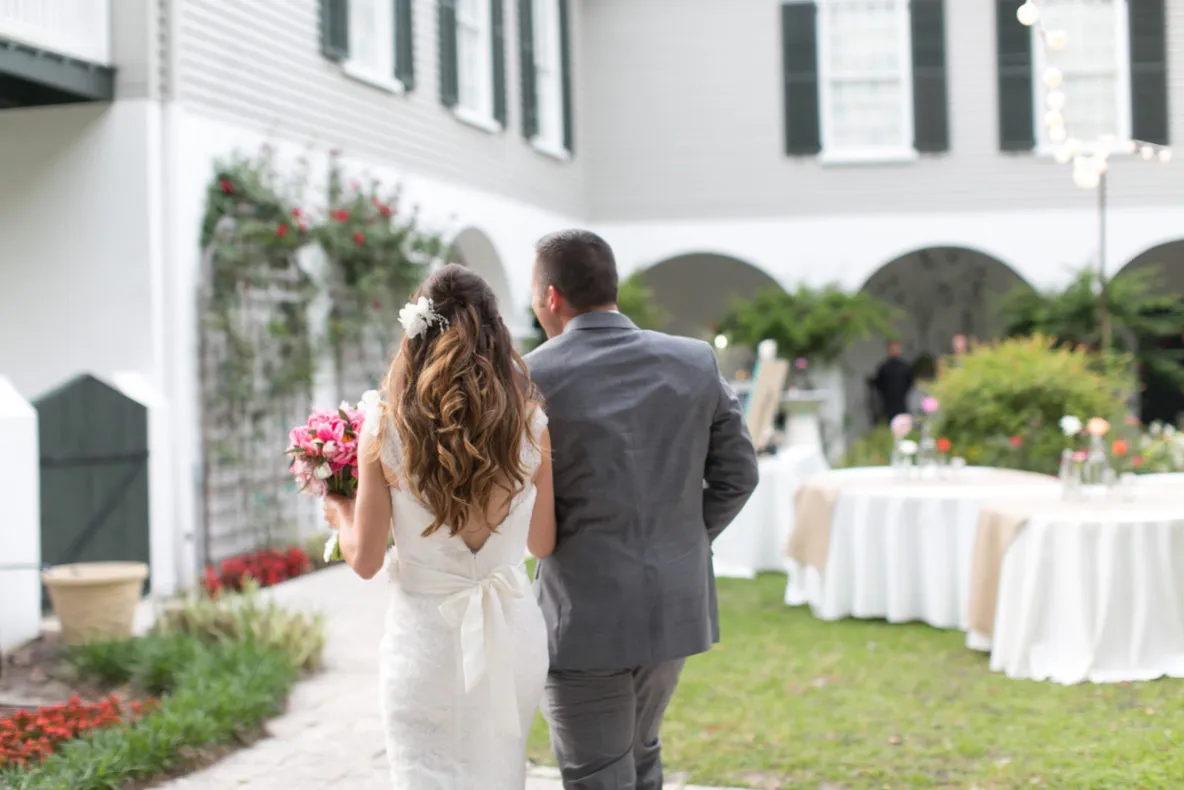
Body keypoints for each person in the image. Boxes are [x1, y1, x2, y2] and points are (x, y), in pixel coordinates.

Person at [526, 229, 760, 790]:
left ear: (551, 297)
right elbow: (740, 473)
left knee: (599, 775)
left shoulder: (528, 377)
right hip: (671, 604)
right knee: (639, 754)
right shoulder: (693, 360)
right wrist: (679, 538)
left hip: (584, 614)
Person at [322, 264, 555, 789]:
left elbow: (364, 560)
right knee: (500, 774)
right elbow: (543, 543)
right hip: (512, 637)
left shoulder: (385, 428)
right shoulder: (532, 425)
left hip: (423, 645)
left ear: (417, 335)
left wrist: (337, 511)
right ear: (496, 335)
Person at [871, 339, 914, 423]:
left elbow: (910, 382)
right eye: (892, 348)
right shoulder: (884, 368)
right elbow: (879, 384)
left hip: (902, 401)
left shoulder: (905, 367)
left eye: (896, 348)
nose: (894, 350)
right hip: (888, 403)